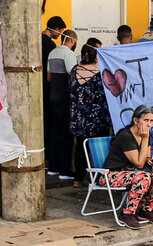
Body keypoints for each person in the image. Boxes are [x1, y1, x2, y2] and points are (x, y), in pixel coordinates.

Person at [102, 105, 153, 229]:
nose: (149, 124)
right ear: (136, 120)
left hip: (133, 173)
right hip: (111, 175)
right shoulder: (126, 136)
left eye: (151, 121)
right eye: (146, 120)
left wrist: (150, 161)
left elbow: (144, 159)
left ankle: (147, 209)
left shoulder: (146, 135)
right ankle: (126, 214)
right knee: (143, 177)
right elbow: (138, 164)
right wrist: (145, 139)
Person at [69, 44, 111, 187]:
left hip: (79, 118)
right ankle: (101, 178)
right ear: (96, 56)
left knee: (80, 148)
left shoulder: (74, 70)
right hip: (97, 118)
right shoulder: (99, 74)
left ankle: (78, 179)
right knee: (100, 149)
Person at [46, 29, 78, 180]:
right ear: (72, 40)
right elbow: (72, 77)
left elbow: (49, 77)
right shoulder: (69, 54)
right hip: (65, 99)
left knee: (54, 132)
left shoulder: (52, 53)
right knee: (66, 135)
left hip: (53, 96)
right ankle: (65, 171)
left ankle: (53, 167)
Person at [41, 16, 67, 169]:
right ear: (56, 29)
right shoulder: (50, 45)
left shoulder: (37, 39)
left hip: (39, 86)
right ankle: (48, 158)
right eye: (61, 31)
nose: (60, 35)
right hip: (50, 87)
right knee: (50, 123)